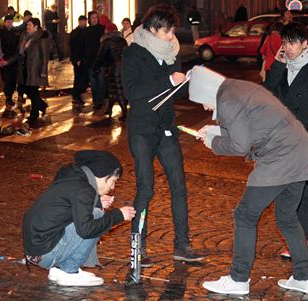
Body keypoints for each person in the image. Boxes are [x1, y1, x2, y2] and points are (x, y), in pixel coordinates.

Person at [188, 66, 308, 295]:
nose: (205, 107)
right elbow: (248, 126)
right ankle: (303, 277)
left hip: (280, 157)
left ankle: (238, 279)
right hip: (299, 151)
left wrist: (213, 143)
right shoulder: (237, 87)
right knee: (287, 218)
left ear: (205, 92)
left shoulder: (227, 100)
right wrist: (213, 131)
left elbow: (240, 145)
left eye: (202, 101)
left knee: (245, 215)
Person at [121, 4, 204, 267]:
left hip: (166, 127)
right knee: (145, 187)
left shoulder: (171, 52)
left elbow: (173, 92)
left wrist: (186, 81)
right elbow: (132, 92)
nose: (171, 37)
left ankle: (182, 245)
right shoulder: (133, 53)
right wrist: (168, 81)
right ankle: (139, 245)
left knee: (179, 186)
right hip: (142, 129)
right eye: (168, 32)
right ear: (154, 29)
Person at [264, 22, 308, 258]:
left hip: (306, 140)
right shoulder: (283, 66)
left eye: (292, 42)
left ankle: (299, 240)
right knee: (292, 193)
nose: (288, 47)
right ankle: (305, 231)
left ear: (305, 44)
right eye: (284, 42)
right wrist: (277, 64)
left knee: (297, 193)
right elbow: (268, 92)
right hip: (282, 139)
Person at [23, 150, 136, 286]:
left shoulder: (71, 179)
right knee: (97, 216)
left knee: (94, 212)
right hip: (46, 253)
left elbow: (67, 206)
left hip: (35, 251)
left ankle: (60, 270)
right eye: (112, 181)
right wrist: (118, 215)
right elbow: (86, 230)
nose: (112, 187)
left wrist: (97, 202)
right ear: (101, 176)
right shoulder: (84, 190)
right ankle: (69, 272)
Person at [16, 18, 50, 124]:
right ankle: (42, 105)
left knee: (33, 92)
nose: (27, 27)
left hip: (35, 68)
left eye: (30, 25)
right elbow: (19, 52)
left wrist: (43, 71)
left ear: (36, 27)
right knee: (26, 90)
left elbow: (45, 56)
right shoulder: (24, 36)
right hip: (25, 68)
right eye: (27, 25)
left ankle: (34, 114)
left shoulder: (42, 37)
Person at [93, 22, 128, 120]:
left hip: (114, 67)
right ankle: (109, 109)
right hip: (124, 66)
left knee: (118, 89)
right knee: (114, 89)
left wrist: (95, 68)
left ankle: (125, 112)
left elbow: (100, 56)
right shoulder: (122, 41)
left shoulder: (107, 42)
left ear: (107, 31)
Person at [0, 15, 20, 118]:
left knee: (13, 79)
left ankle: (10, 96)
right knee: (6, 78)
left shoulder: (16, 32)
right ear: (5, 22)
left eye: (11, 22)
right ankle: (8, 97)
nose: (10, 23)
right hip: (4, 58)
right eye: (8, 22)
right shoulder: (1, 32)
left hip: (14, 60)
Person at [84, 11, 106, 110]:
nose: (94, 19)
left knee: (101, 80)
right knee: (93, 82)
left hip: (100, 58)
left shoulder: (102, 29)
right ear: (89, 19)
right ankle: (96, 100)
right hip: (90, 60)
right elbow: (84, 46)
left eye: (96, 17)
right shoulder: (86, 30)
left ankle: (101, 100)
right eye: (92, 17)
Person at [70, 15, 88, 107]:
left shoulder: (86, 31)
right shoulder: (75, 33)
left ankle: (78, 95)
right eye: (82, 21)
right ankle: (76, 95)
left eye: (85, 21)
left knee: (83, 78)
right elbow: (74, 48)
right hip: (78, 59)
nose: (84, 23)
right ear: (79, 22)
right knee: (79, 78)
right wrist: (76, 59)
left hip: (84, 59)